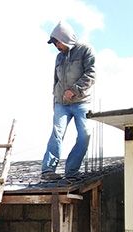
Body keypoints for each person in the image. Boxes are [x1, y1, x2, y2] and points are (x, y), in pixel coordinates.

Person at [41, 20, 95, 180]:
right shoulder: (59, 57)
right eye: (54, 43)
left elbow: (91, 75)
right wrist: (55, 102)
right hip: (61, 104)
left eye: (57, 42)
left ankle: (71, 171)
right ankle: (48, 171)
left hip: (82, 102)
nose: (56, 46)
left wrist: (74, 90)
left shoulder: (85, 50)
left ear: (64, 38)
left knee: (85, 135)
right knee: (57, 133)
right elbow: (55, 82)